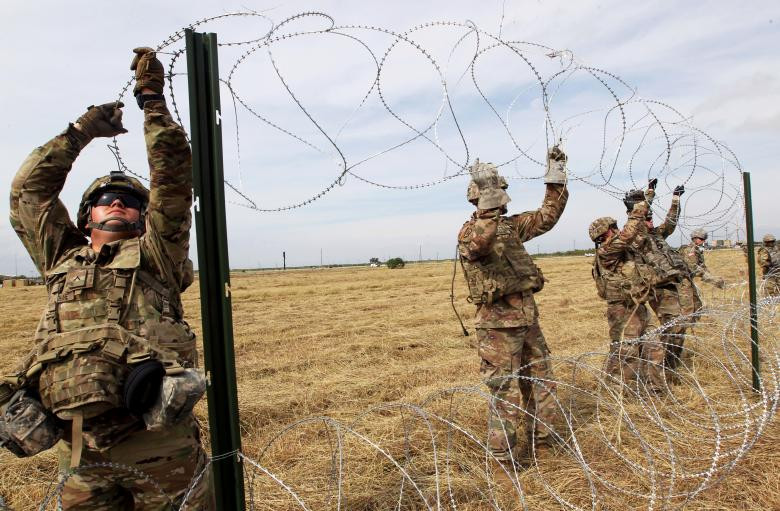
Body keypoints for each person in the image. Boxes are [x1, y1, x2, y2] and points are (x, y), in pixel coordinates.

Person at [2, 47, 213, 509]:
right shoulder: (62, 256)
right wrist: (80, 133)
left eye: (128, 200)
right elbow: (28, 191)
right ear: (85, 218)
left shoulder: (158, 253)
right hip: (79, 449)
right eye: (105, 200)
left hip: (156, 442)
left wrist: (151, 99)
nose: (117, 204)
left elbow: (173, 175)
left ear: (142, 216)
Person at [458, 147, 568, 467]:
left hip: (527, 319)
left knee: (541, 383)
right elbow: (480, 243)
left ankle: (544, 444)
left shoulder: (512, 226)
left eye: (502, 191)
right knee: (503, 392)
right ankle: (503, 461)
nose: (503, 197)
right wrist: (488, 203)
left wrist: (556, 174)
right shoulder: (470, 231)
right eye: (496, 192)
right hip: (497, 326)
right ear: (481, 197)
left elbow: (547, 216)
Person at [588, 199, 662, 388]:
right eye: (615, 228)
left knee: (654, 347)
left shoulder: (623, 249)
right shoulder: (607, 251)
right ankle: (617, 391)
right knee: (626, 352)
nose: (619, 230)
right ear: (607, 232)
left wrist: (648, 200)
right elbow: (629, 234)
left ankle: (655, 388)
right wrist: (639, 206)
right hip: (622, 309)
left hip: (638, 306)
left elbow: (639, 233)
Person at [678, 229, 725, 321]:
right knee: (688, 307)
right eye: (702, 239)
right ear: (695, 238)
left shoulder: (696, 250)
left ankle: (692, 324)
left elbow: (702, 267)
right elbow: (693, 268)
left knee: (697, 305)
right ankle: (683, 326)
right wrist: (712, 279)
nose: (704, 241)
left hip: (688, 281)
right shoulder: (689, 250)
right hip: (683, 282)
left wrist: (712, 277)